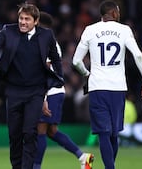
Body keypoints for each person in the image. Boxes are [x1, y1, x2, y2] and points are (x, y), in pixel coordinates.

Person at [72, 0, 142, 169]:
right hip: (118, 88)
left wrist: (87, 74)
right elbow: (137, 55)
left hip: (97, 87)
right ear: (114, 13)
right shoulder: (124, 30)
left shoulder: (90, 30)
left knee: (103, 133)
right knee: (113, 134)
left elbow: (76, 61)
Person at [0, 3, 64, 169]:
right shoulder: (9, 31)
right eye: (21, 18)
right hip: (13, 92)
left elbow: (56, 58)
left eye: (27, 19)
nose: (22, 22)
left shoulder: (46, 35)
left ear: (36, 21)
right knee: (14, 135)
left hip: (35, 92)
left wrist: (57, 78)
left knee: (29, 132)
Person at [33, 12, 94, 169]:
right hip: (56, 91)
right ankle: (83, 157)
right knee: (51, 131)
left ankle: (36, 166)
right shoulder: (48, 41)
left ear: (38, 23)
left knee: (40, 129)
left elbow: (45, 71)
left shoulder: (45, 42)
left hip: (50, 92)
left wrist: (43, 96)